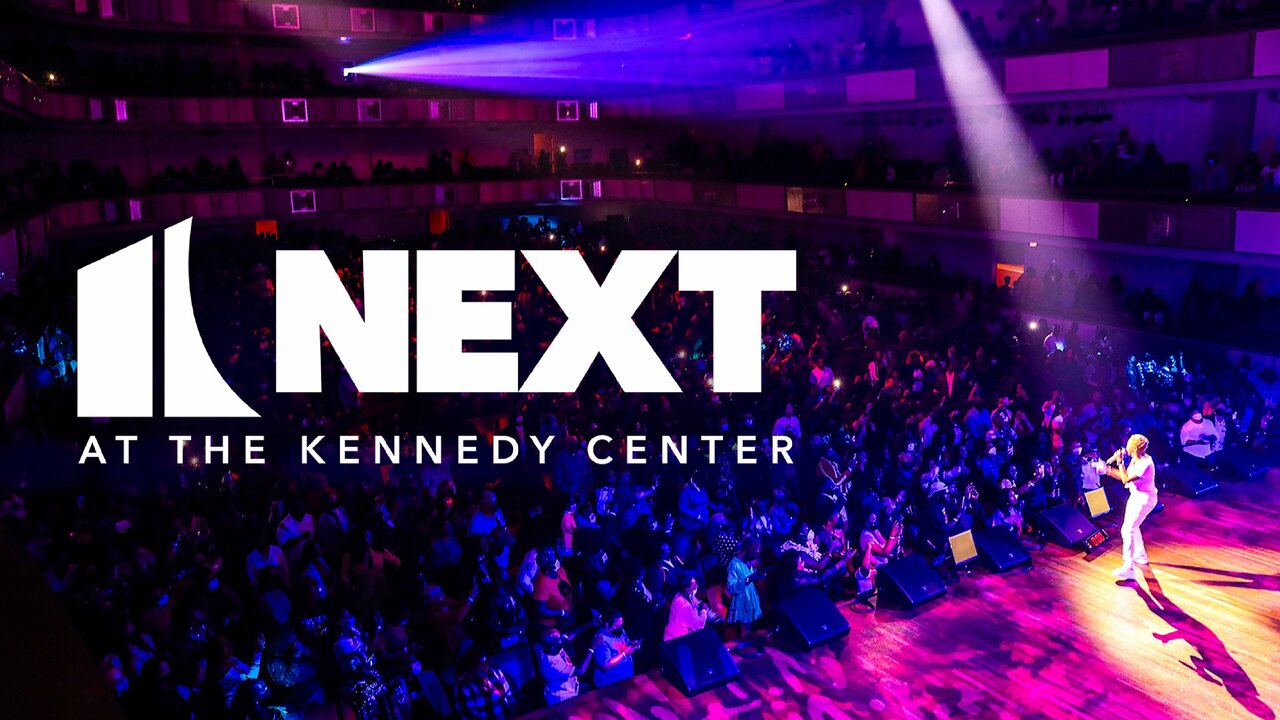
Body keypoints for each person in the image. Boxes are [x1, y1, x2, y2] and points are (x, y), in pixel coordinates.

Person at [1096, 434, 1158, 582]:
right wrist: (1107, 470)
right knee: (1133, 526)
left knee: (1127, 529)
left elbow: (1125, 479)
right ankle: (1140, 556)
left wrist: (1120, 462)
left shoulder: (1145, 464)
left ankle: (1129, 567)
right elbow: (1125, 477)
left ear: (1135, 448)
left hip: (1144, 500)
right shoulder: (1137, 459)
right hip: (1136, 497)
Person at [586, 608, 639, 688]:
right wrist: (624, 654)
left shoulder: (620, 631)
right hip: (612, 684)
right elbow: (605, 665)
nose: (620, 628)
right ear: (607, 624)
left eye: (621, 625)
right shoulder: (601, 639)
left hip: (626, 678)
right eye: (617, 626)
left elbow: (625, 643)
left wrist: (632, 644)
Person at [535, 629, 582, 706]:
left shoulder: (552, 649)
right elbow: (580, 671)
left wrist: (591, 623)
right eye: (558, 638)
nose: (561, 639)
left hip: (567, 692)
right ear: (553, 646)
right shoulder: (553, 665)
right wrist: (592, 649)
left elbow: (570, 634)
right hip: (561, 699)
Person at [663, 574, 715, 641]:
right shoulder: (684, 606)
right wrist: (704, 610)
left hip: (682, 635)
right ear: (687, 589)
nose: (696, 586)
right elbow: (699, 625)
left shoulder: (683, 595)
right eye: (693, 584)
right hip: (677, 641)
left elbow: (696, 602)